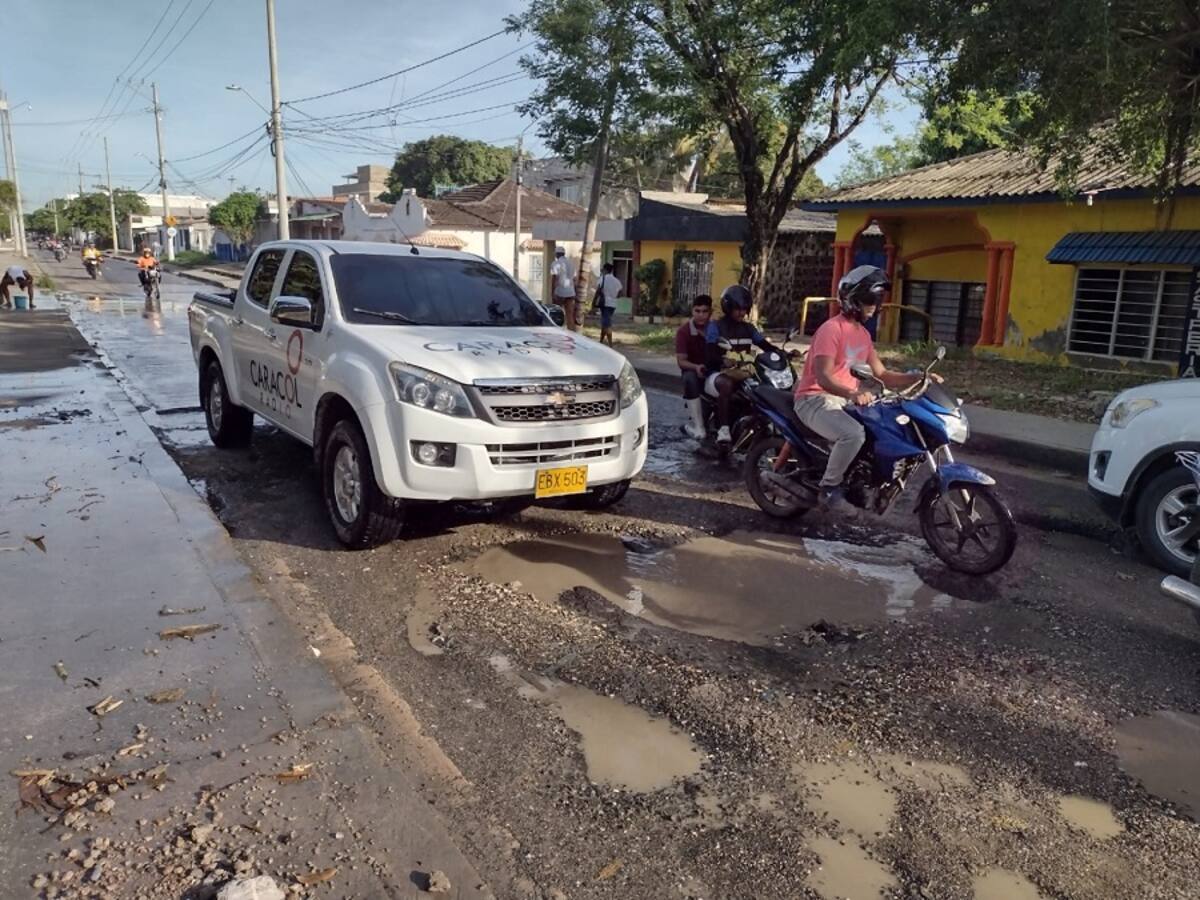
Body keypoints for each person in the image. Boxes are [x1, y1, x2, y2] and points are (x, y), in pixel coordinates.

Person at [793, 265, 932, 511]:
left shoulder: (863, 335)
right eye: (869, 300)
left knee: (879, 431)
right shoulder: (831, 329)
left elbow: (882, 375)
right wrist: (853, 393)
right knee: (853, 434)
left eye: (877, 301)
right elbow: (823, 377)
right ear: (852, 300)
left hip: (843, 401)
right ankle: (828, 488)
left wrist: (919, 377)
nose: (874, 307)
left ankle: (858, 483)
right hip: (815, 399)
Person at [704, 284, 790, 447]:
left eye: (745, 309)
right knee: (727, 384)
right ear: (728, 307)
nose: (742, 312)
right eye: (738, 308)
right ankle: (724, 429)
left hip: (743, 372)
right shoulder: (716, 327)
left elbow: (764, 345)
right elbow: (709, 354)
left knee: (767, 388)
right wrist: (722, 361)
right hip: (718, 374)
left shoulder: (749, 328)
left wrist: (782, 353)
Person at [674, 294, 712, 439]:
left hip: (714, 370)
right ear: (692, 311)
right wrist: (696, 367)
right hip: (694, 371)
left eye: (704, 311)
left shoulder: (715, 329)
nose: (701, 315)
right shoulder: (683, 332)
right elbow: (681, 361)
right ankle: (698, 426)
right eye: (697, 311)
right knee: (689, 379)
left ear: (710, 313)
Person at [549, 247, 578, 332]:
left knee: (557, 314)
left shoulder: (555, 263)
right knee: (570, 315)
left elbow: (554, 279)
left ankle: (558, 332)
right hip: (571, 292)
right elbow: (575, 279)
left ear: (557, 254)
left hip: (560, 292)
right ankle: (572, 334)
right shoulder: (571, 264)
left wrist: (552, 293)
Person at [593, 262, 621, 346]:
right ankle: (601, 341)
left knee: (607, 323)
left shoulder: (603, 278)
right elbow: (620, 293)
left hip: (605, 304)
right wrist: (613, 296)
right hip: (613, 304)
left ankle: (610, 343)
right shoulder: (616, 280)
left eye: (602, 269)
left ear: (605, 270)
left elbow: (598, 291)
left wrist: (594, 302)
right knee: (605, 322)